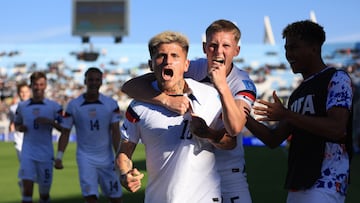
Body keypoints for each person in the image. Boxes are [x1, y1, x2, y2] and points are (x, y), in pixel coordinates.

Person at [121, 19, 256, 203]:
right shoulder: (191, 66)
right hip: (193, 174)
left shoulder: (241, 83)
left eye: (226, 45)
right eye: (213, 45)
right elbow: (131, 86)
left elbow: (235, 128)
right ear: (204, 47)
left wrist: (222, 86)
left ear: (236, 50)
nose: (218, 51)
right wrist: (167, 100)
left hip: (228, 169)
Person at [245, 20, 353, 203]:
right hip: (299, 183)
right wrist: (241, 114)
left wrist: (286, 114)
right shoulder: (297, 93)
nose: (288, 55)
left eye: (294, 47)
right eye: (286, 49)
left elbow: (337, 128)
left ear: (314, 48)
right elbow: (273, 139)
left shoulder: (336, 78)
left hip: (326, 182)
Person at [116, 31, 224, 203]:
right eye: (161, 56)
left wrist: (208, 133)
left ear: (186, 64)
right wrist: (125, 174)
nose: (168, 61)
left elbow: (230, 142)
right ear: (151, 65)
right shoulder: (138, 107)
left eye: (175, 56)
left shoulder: (210, 96)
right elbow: (124, 153)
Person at [54, 67, 123, 203]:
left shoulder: (111, 104)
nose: (93, 83)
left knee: (116, 198)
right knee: (90, 197)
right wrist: (59, 156)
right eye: (90, 79)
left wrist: (119, 156)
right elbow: (66, 132)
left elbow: (115, 132)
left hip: (106, 158)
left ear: (101, 82)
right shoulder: (74, 105)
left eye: (97, 80)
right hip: (85, 158)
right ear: (85, 81)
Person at [14, 71, 63, 203]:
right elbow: (17, 122)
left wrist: (50, 122)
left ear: (45, 85)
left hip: (46, 154)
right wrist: (20, 128)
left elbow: (64, 129)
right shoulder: (22, 106)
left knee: (44, 194)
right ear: (31, 86)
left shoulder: (54, 106)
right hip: (28, 153)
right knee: (27, 191)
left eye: (41, 84)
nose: (38, 87)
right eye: (36, 84)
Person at [8, 82, 31, 193]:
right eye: (22, 92)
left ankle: (23, 182)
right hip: (20, 140)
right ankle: (25, 188)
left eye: (26, 91)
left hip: (34, 141)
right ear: (18, 93)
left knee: (33, 168)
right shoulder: (13, 108)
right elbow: (12, 123)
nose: (24, 94)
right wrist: (15, 128)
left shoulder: (35, 105)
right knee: (25, 164)